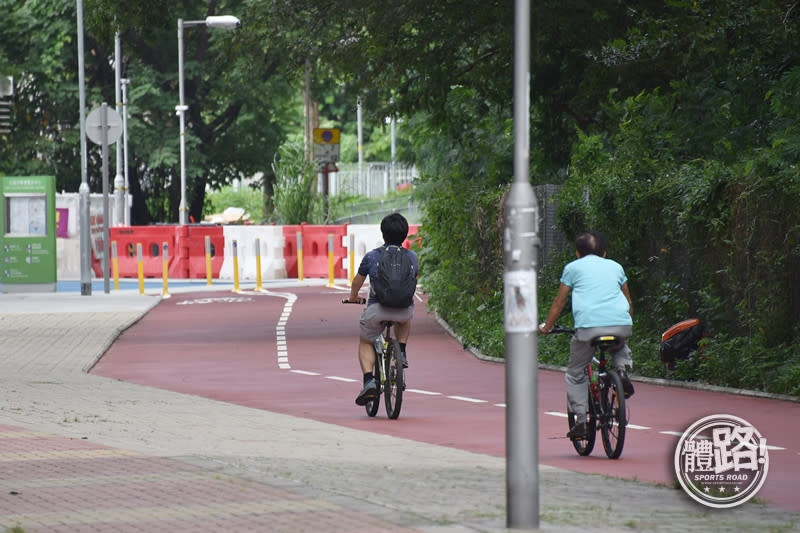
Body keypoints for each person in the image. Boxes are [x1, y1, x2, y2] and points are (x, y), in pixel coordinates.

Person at [538, 231, 634, 440]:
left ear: (577, 253)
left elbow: (559, 302)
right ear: (604, 253)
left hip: (589, 328)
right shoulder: (616, 267)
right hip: (621, 323)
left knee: (575, 372)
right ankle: (622, 370)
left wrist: (547, 327)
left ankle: (581, 421)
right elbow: (628, 299)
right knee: (620, 347)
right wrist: (626, 322)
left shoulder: (573, 268)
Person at [345, 213, 419, 406]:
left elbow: (357, 282)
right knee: (406, 315)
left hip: (377, 308)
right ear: (405, 234)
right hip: (403, 310)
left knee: (366, 341)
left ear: (382, 233)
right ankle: (401, 351)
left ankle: (369, 380)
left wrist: (353, 297)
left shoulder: (372, 256)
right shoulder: (412, 257)